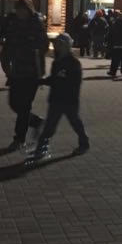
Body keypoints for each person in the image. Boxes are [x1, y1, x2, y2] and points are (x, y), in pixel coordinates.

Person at [29, 33, 88, 162]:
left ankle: (84, 144)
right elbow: (54, 79)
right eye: (55, 44)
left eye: (59, 44)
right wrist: (42, 81)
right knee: (50, 126)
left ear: (66, 46)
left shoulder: (73, 63)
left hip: (69, 100)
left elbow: (73, 82)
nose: (56, 46)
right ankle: (41, 150)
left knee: (75, 123)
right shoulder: (57, 62)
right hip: (56, 99)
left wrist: (57, 81)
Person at [0, 0, 48, 150]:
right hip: (16, 71)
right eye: (18, 9)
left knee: (25, 105)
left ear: (29, 9)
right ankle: (36, 121)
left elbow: (44, 45)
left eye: (23, 9)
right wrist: (5, 63)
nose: (20, 12)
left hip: (32, 71)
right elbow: (8, 45)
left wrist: (32, 46)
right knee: (14, 103)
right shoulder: (14, 24)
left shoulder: (36, 24)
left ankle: (19, 138)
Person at [106, 11, 122, 77]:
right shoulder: (115, 23)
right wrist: (109, 41)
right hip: (117, 43)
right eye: (119, 15)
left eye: (121, 15)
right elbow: (111, 33)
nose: (120, 16)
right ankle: (113, 71)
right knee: (115, 59)